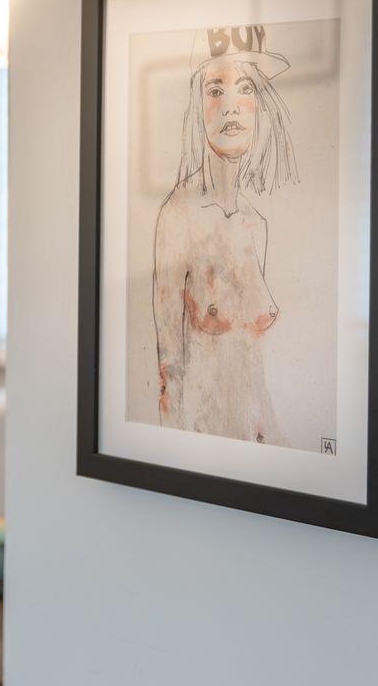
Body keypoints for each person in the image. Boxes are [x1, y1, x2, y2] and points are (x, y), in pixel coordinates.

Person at [152, 25, 297, 445]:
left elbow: (255, 371)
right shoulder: (178, 218)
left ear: (260, 104)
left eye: (245, 88)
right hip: (204, 450)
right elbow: (169, 369)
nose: (231, 107)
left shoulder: (256, 225)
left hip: (259, 447)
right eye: (216, 90)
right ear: (197, 105)